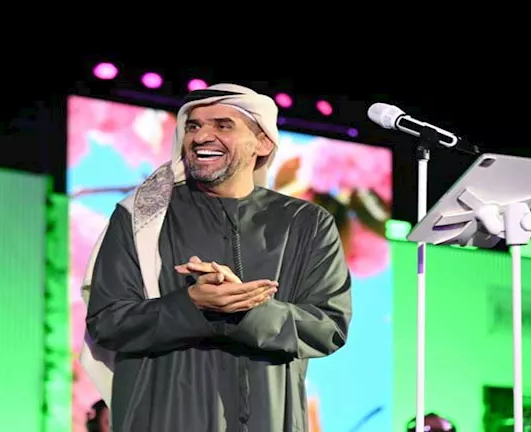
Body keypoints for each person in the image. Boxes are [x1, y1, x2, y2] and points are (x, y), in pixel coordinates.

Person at [80, 83, 353, 431]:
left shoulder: (306, 223)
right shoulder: (142, 216)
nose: (201, 137)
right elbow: (108, 321)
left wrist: (247, 310)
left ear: (263, 143)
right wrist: (191, 304)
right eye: (193, 126)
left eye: (223, 125)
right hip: (163, 417)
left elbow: (328, 327)